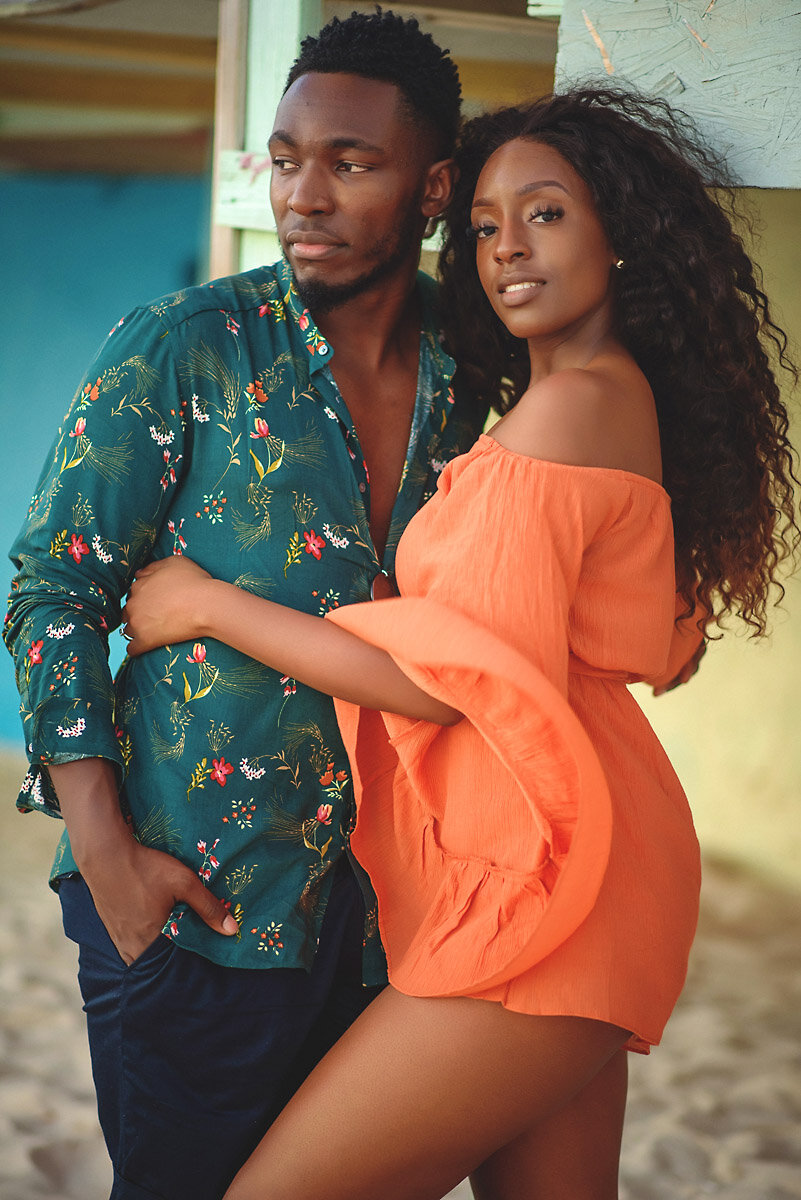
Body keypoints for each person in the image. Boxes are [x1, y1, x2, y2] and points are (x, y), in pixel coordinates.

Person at [121, 87, 799, 1200]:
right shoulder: (581, 405)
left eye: (546, 215)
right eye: (485, 225)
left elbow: (434, 690)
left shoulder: (572, 410)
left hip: (552, 884)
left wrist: (204, 605)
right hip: (575, 847)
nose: (506, 250)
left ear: (620, 239)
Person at [2, 12, 488, 1199]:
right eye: (285, 159)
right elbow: (52, 587)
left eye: (351, 164)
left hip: (396, 914)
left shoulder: (480, 381)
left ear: (431, 190)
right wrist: (109, 857)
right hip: (197, 897)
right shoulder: (188, 346)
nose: (304, 196)